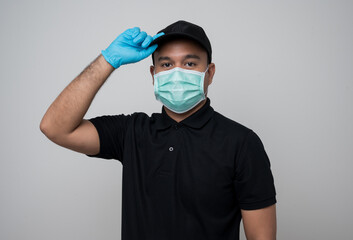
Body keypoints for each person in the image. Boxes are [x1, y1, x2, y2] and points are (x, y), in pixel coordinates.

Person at [40, 20, 277, 240]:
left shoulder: (242, 143)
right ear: (153, 75)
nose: (177, 72)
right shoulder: (131, 132)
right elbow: (55, 128)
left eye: (190, 63)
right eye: (166, 64)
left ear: (210, 73)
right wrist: (108, 60)